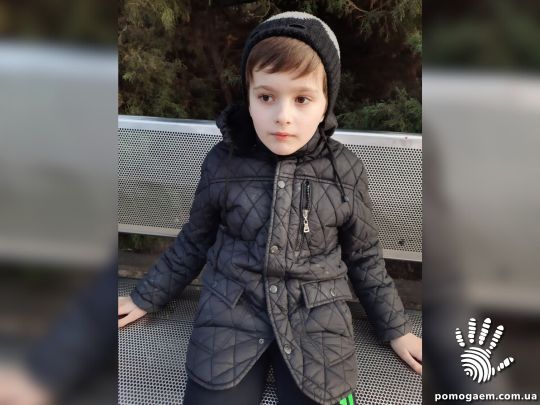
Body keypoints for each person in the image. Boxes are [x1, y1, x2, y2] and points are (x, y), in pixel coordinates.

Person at [118, 11, 422, 405]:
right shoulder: (223, 163)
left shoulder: (344, 170)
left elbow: (364, 257)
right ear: (248, 98)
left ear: (326, 103)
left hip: (318, 317)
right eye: (266, 97)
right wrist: (145, 296)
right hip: (231, 310)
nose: (283, 116)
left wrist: (397, 329)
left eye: (302, 99)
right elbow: (194, 240)